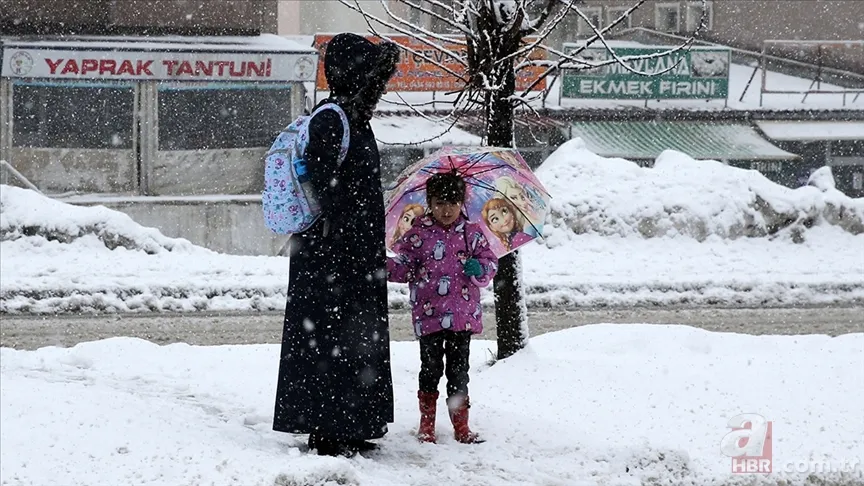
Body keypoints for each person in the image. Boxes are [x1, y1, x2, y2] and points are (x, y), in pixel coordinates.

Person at [273, 33, 401, 458]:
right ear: (354, 75)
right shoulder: (333, 117)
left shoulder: (354, 116)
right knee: (331, 340)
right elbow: (327, 185)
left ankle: (351, 422)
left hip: (352, 251)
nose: (380, 86)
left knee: (354, 338)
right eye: (374, 77)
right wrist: (348, 234)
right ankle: (327, 428)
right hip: (331, 252)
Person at [387, 172, 498, 444]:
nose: (446, 209)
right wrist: (384, 266)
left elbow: (490, 263)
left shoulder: (472, 234)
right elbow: (406, 267)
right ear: (429, 203)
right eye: (439, 203)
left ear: (462, 203)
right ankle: (427, 425)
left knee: (459, 372)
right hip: (429, 315)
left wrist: (479, 268)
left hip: (462, 317)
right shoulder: (418, 234)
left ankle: (462, 426)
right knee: (430, 369)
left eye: (452, 203)